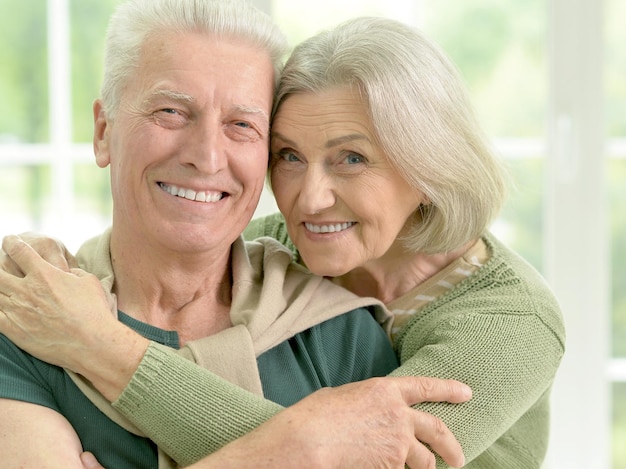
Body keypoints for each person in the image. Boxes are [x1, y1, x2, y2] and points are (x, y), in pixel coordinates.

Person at [0, 11, 564, 469]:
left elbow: (367, 458)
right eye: (290, 156)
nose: (309, 199)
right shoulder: (287, 250)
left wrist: (103, 346)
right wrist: (31, 257)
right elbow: (169, 225)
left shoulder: (507, 322)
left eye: (352, 158)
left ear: (427, 168)